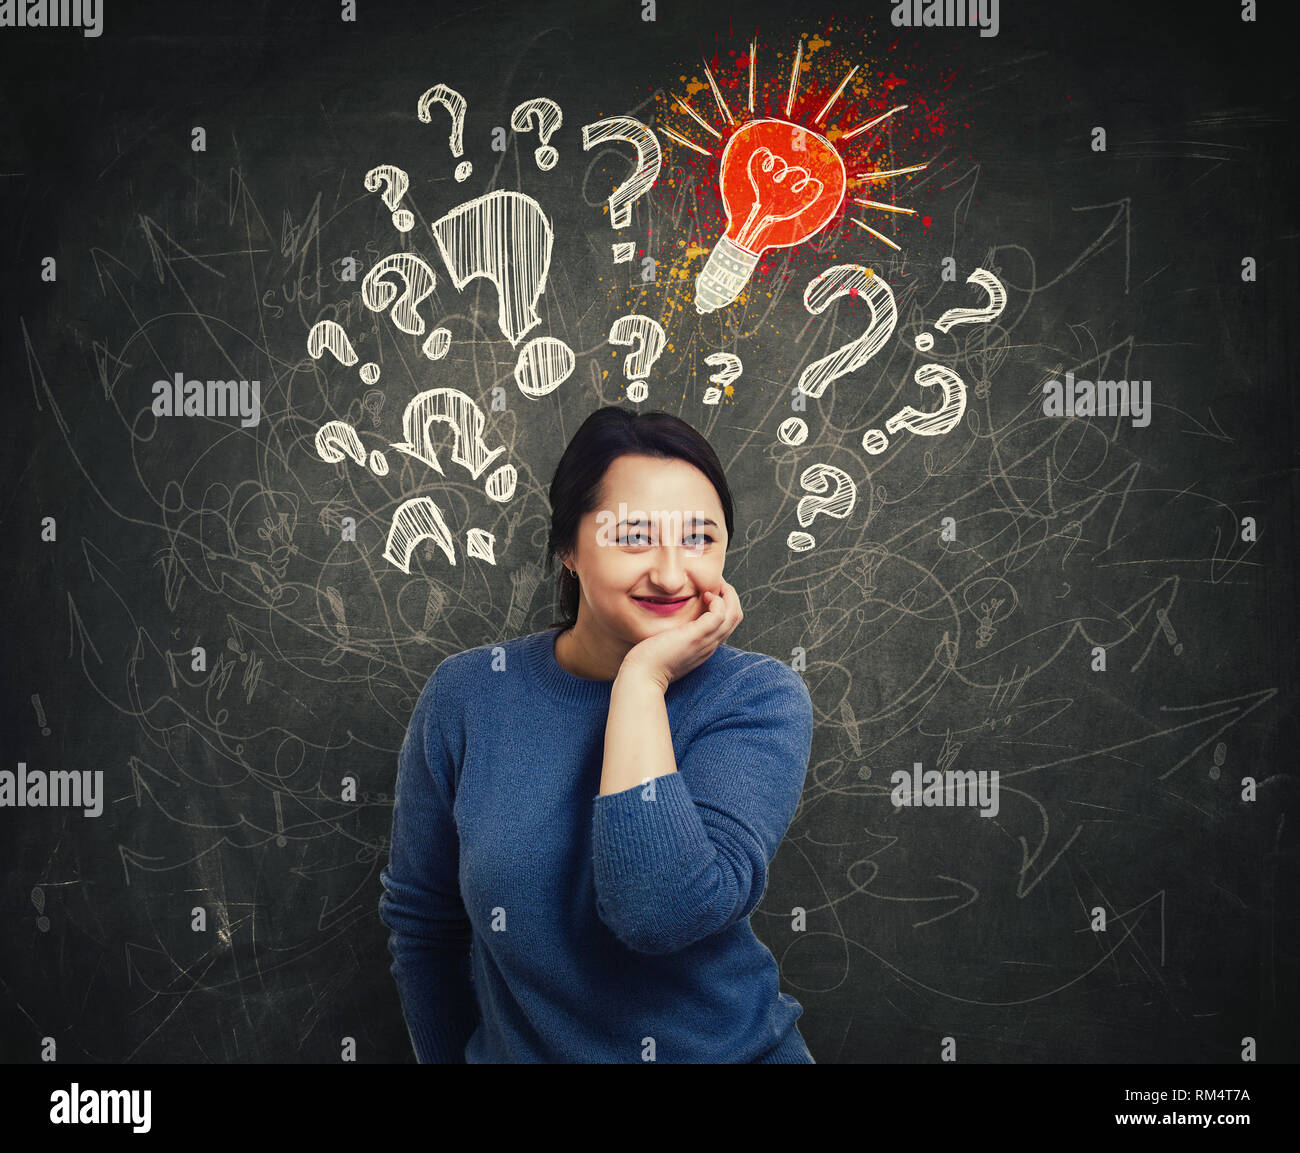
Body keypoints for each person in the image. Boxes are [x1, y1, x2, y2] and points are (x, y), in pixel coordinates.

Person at [378, 406, 815, 1063]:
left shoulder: (759, 699)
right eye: (634, 536)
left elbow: (659, 912)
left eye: (700, 537)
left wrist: (641, 684)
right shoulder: (468, 695)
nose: (671, 574)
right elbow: (425, 928)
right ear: (568, 548)